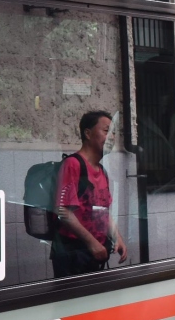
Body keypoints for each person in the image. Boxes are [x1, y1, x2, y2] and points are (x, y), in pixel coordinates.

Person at [51, 110, 127, 278]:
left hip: (95, 253)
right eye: (106, 131)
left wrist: (117, 237)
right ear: (87, 133)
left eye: (113, 133)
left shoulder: (102, 171)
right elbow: (63, 211)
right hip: (73, 254)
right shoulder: (73, 164)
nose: (112, 137)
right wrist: (92, 243)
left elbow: (103, 210)